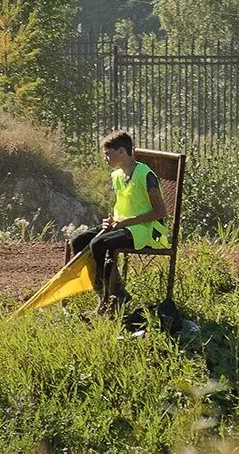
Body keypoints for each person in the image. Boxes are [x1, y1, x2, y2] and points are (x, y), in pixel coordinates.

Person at [66, 130, 168, 316]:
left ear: (121, 152)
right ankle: (104, 294)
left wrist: (126, 222)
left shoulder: (145, 175)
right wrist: (112, 220)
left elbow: (161, 212)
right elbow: (123, 206)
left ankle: (114, 296)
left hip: (146, 230)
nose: (105, 158)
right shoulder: (117, 176)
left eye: (107, 153)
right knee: (78, 241)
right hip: (123, 225)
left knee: (99, 244)